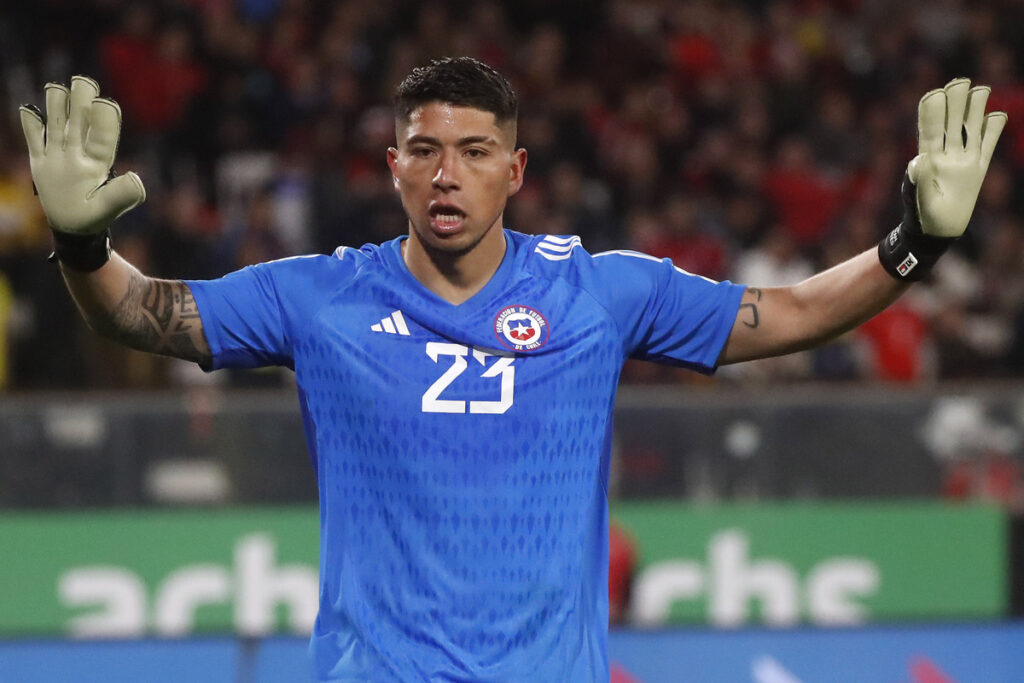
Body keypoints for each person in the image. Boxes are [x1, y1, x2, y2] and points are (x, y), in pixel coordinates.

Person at [20, 58, 1005, 681]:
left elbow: (789, 313)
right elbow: (145, 314)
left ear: (516, 169)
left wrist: (913, 240)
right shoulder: (319, 297)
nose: (447, 171)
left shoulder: (598, 291)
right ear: (392, 167)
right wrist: (77, 244)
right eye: (425, 150)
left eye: (473, 150)